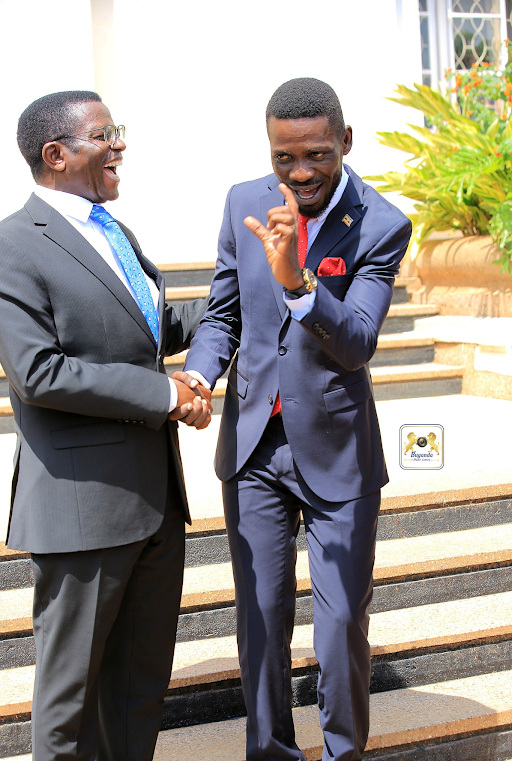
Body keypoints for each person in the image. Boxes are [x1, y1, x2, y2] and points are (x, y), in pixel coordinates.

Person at [185, 77, 412, 760]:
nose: (302, 171)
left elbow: (358, 341)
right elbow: (223, 314)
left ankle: (345, 751)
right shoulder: (243, 202)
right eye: (286, 157)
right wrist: (200, 372)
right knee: (260, 620)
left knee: (341, 626)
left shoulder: (382, 222)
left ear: (344, 141)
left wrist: (298, 284)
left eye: (317, 154)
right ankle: (272, 753)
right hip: (254, 445)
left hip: (337, 449)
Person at [0, 90, 212, 761]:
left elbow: (149, 333)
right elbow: (39, 373)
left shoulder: (114, 231)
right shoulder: (11, 245)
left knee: (138, 693)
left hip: (154, 505)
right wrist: (164, 394)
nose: (119, 145)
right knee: (69, 710)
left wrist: (238, 303)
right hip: (82, 508)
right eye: (104, 135)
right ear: (56, 154)